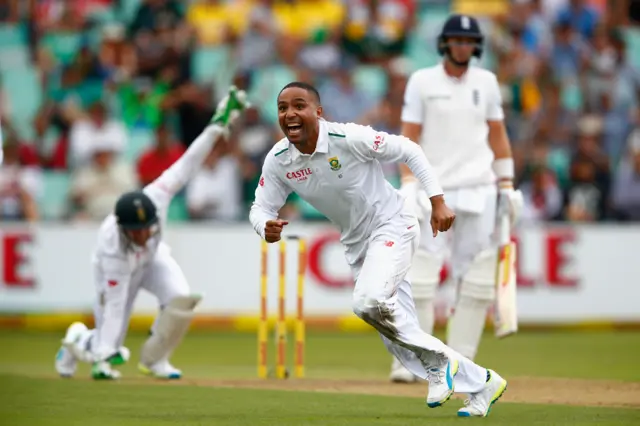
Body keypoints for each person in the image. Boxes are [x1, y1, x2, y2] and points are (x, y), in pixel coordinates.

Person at [250, 81, 507, 417]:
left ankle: (439, 364)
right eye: (283, 108)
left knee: (368, 302)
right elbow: (260, 207)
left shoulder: (348, 138)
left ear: (318, 112)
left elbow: (410, 150)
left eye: (299, 105)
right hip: (357, 244)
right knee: (393, 332)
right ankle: (483, 382)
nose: (290, 114)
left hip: (393, 225)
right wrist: (263, 225)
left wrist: (437, 202)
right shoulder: (280, 159)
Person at [54, 86, 248, 380]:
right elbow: (116, 306)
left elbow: (189, 162)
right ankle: (77, 341)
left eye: (147, 228)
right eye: (138, 231)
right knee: (109, 340)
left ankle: (155, 359)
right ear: (124, 228)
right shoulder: (112, 245)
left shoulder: (159, 194)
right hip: (120, 269)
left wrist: (217, 124)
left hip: (153, 259)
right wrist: (106, 356)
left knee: (181, 301)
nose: (144, 234)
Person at [389, 14, 523, 383]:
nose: (462, 47)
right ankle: (412, 360)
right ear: (444, 44)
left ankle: (461, 363)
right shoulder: (422, 81)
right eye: (455, 40)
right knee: (421, 277)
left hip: (479, 188)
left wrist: (507, 183)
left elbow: (497, 135)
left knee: (477, 278)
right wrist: (410, 184)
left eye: (468, 41)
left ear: (475, 45)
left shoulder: (488, 82)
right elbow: (409, 135)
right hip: (436, 189)